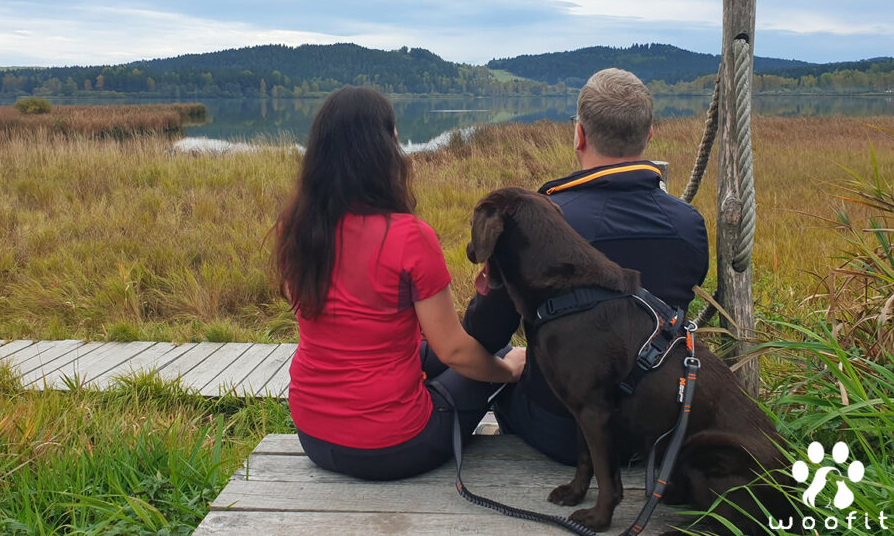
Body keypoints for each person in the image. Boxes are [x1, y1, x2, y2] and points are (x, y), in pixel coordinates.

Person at [272, 86, 526, 481]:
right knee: (501, 353)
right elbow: (454, 349)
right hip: (395, 445)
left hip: (313, 433)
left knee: (463, 357)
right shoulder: (409, 236)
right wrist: (508, 370)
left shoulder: (297, 229)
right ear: (389, 145)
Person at [462, 68, 709, 466]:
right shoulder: (688, 224)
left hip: (561, 435)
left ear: (578, 134)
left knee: (500, 365)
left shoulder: (536, 228)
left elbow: (483, 334)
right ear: (649, 136)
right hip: (655, 433)